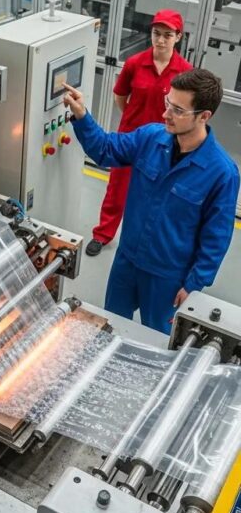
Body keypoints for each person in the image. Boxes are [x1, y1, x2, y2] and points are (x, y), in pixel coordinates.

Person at [63, 69, 239, 334]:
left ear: (204, 116)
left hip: (167, 277)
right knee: (108, 328)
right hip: (127, 261)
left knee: (156, 341)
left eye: (178, 110)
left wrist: (193, 284)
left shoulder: (221, 172)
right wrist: (81, 115)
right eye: (169, 103)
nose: (166, 114)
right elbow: (106, 149)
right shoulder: (151, 138)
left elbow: (216, 238)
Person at [86, 10, 192, 257]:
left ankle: (147, 243)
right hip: (131, 139)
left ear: (178, 37)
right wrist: (134, 120)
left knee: (157, 194)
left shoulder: (185, 71)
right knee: (117, 189)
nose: (161, 40)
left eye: (168, 35)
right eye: (157, 33)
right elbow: (121, 97)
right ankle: (102, 234)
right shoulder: (135, 63)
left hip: (165, 144)